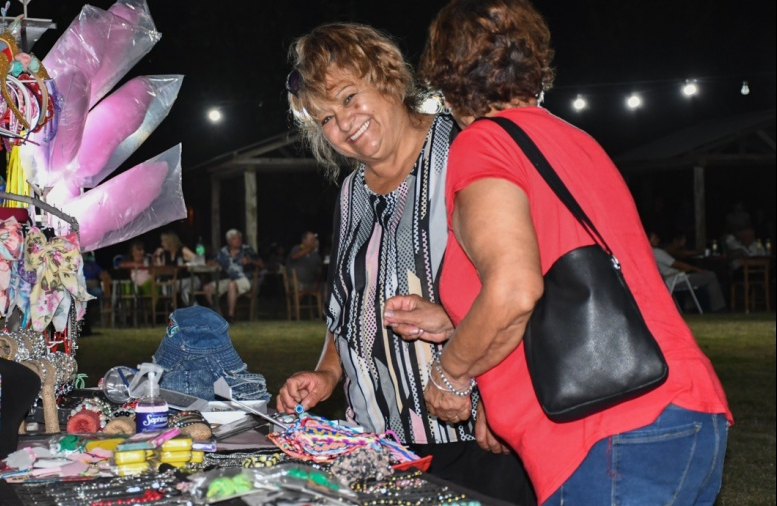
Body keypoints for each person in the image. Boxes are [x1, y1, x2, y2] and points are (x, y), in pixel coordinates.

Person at [384, 1, 732, 503]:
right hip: (686, 414)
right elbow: (562, 280)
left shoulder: (484, 144)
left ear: (443, 74)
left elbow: (514, 290)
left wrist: (451, 373)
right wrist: (456, 324)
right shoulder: (575, 140)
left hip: (606, 434)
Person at [275, 23, 535, 504]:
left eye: (350, 97)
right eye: (326, 118)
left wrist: (502, 398)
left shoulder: (464, 150)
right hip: (376, 442)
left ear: (387, 76)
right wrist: (328, 373)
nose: (344, 124)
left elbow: (520, 286)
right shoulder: (351, 193)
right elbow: (346, 308)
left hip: (470, 434)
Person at [649, 231, 726, 312]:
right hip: (675, 280)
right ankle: (718, 307)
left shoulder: (648, 253)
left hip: (668, 280)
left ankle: (689, 307)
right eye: (655, 238)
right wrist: (697, 269)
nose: (658, 240)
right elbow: (676, 264)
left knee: (692, 278)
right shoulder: (657, 252)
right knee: (711, 276)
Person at [203, 229, 264, 323]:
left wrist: (250, 261)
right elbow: (212, 262)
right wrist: (212, 263)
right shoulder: (223, 252)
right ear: (229, 241)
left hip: (246, 279)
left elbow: (262, 265)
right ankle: (218, 316)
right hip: (229, 279)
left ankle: (230, 316)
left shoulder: (247, 249)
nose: (238, 240)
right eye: (235, 238)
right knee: (207, 288)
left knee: (232, 285)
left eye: (239, 238)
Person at [153, 231, 201, 307]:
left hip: (189, 279)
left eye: (163, 241)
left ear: (169, 242)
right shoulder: (166, 254)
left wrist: (186, 264)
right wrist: (158, 256)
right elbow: (162, 270)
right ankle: (174, 307)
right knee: (171, 288)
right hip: (176, 282)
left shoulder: (182, 250)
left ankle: (196, 310)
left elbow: (198, 260)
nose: (162, 244)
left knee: (182, 292)